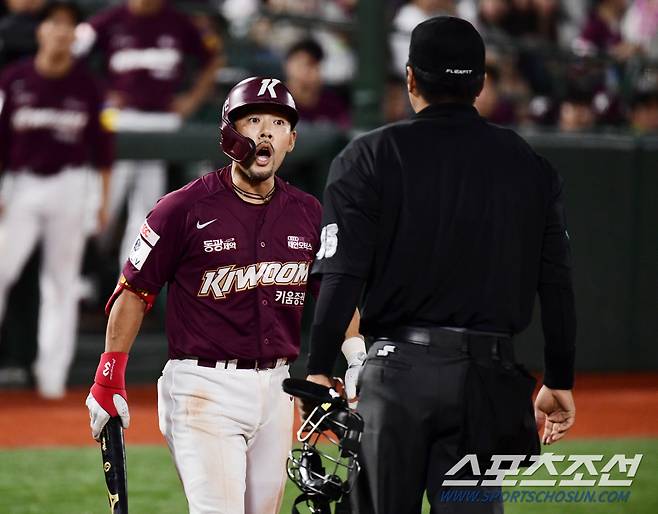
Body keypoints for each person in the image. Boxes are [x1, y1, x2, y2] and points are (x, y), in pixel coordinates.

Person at [304, 16, 577, 514]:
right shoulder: (530, 165)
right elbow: (556, 284)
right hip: (489, 380)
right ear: (481, 83)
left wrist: (320, 367)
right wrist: (559, 378)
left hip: (397, 377)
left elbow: (342, 276)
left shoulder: (368, 156)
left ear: (410, 78)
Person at [85, 77, 361, 514]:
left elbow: (332, 288)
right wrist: (107, 376)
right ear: (230, 134)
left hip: (277, 389)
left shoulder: (308, 211)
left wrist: (356, 353)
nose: (265, 132)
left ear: (292, 140)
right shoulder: (181, 208)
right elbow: (135, 291)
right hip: (203, 388)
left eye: (277, 122)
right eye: (253, 120)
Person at [0, 0, 114, 399]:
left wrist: (101, 202)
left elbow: (104, 150)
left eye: (69, 26)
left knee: (61, 284)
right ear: (41, 30)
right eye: (54, 24)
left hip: (70, 182)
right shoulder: (13, 79)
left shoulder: (89, 86)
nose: (61, 32)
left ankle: (51, 376)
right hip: (19, 184)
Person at [74, 0, 220, 267]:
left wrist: (192, 99)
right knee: (103, 205)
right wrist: (102, 94)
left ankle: (129, 280)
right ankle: (89, 273)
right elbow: (73, 53)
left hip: (161, 122)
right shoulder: (109, 20)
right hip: (122, 121)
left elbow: (213, 58)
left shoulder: (179, 21)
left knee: (147, 212)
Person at [284, 38, 351, 128]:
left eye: (312, 65)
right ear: (287, 65)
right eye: (301, 65)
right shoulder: (273, 101)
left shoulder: (331, 102)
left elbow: (345, 130)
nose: (305, 71)